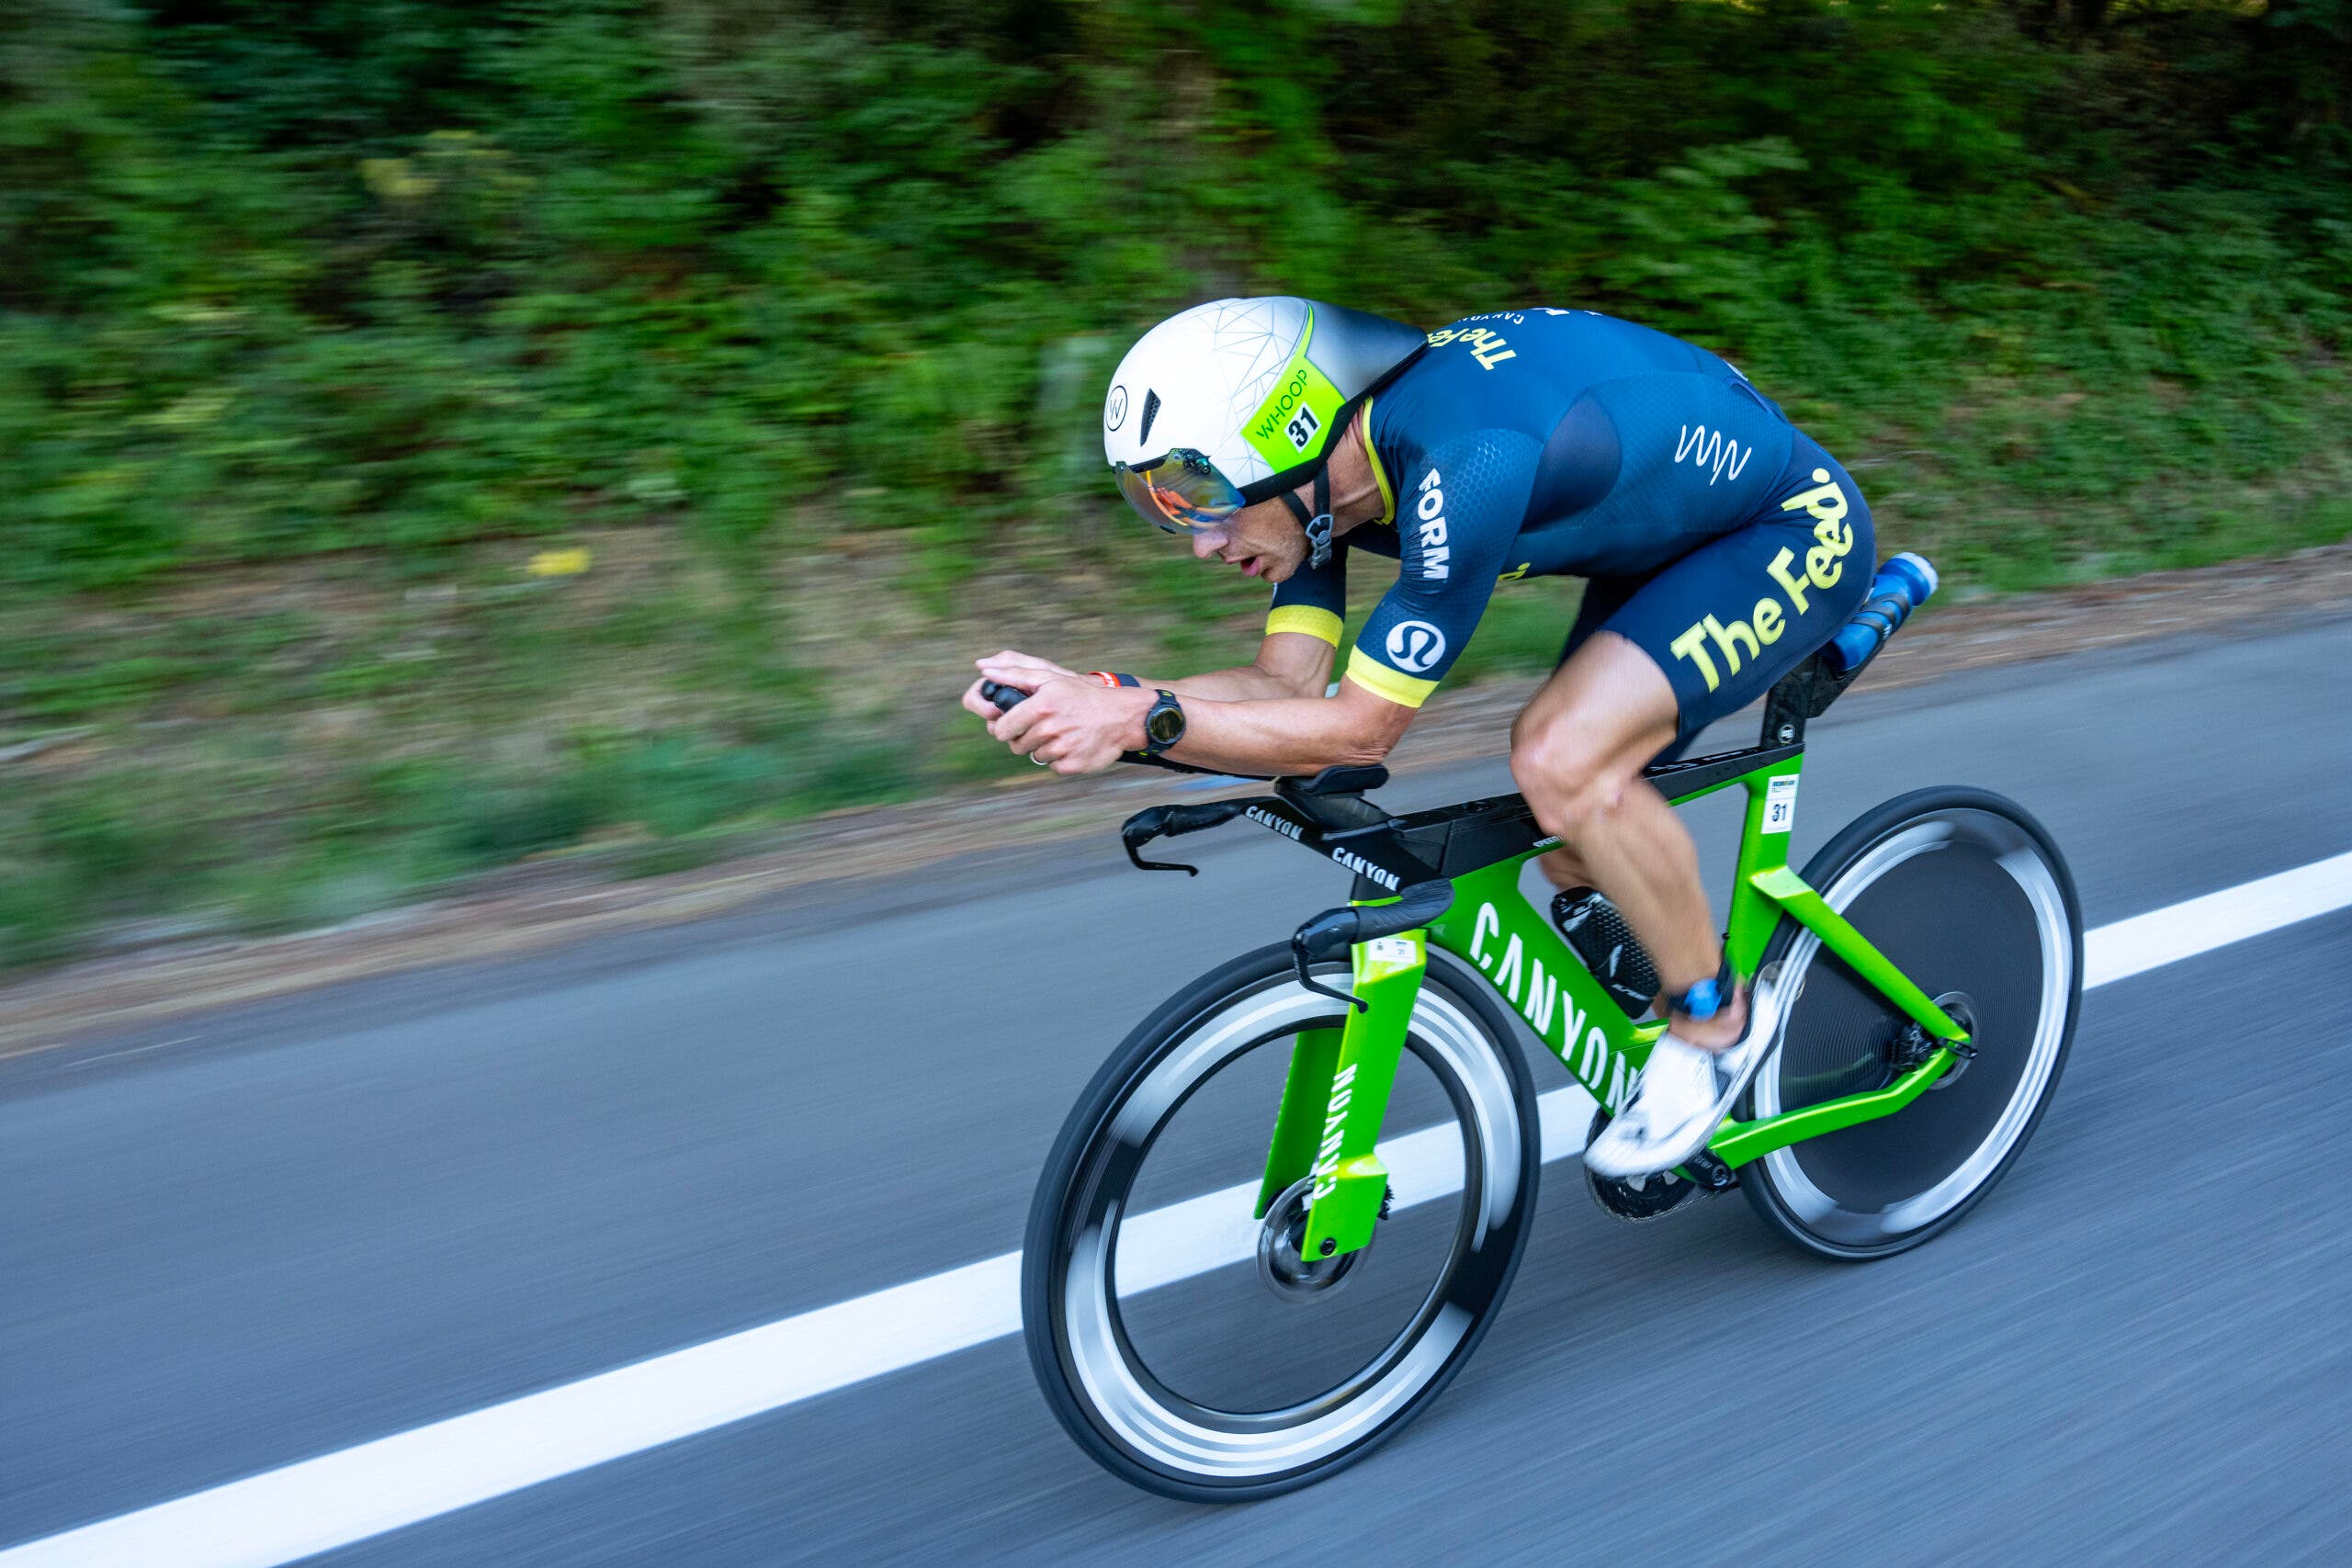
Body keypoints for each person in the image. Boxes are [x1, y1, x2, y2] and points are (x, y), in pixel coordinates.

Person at [961, 299, 1872, 1176]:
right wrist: (1112, 696)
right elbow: (1284, 691)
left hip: (1783, 529)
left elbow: (1354, 732)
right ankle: (1650, 996)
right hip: (1668, 538)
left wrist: (1138, 721)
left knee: (1561, 760)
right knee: (1574, 849)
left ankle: (1717, 1028)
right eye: (1168, 508)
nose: (1200, 541)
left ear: (1288, 440)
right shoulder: (1320, 488)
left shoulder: (1462, 462)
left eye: (1204, 497)